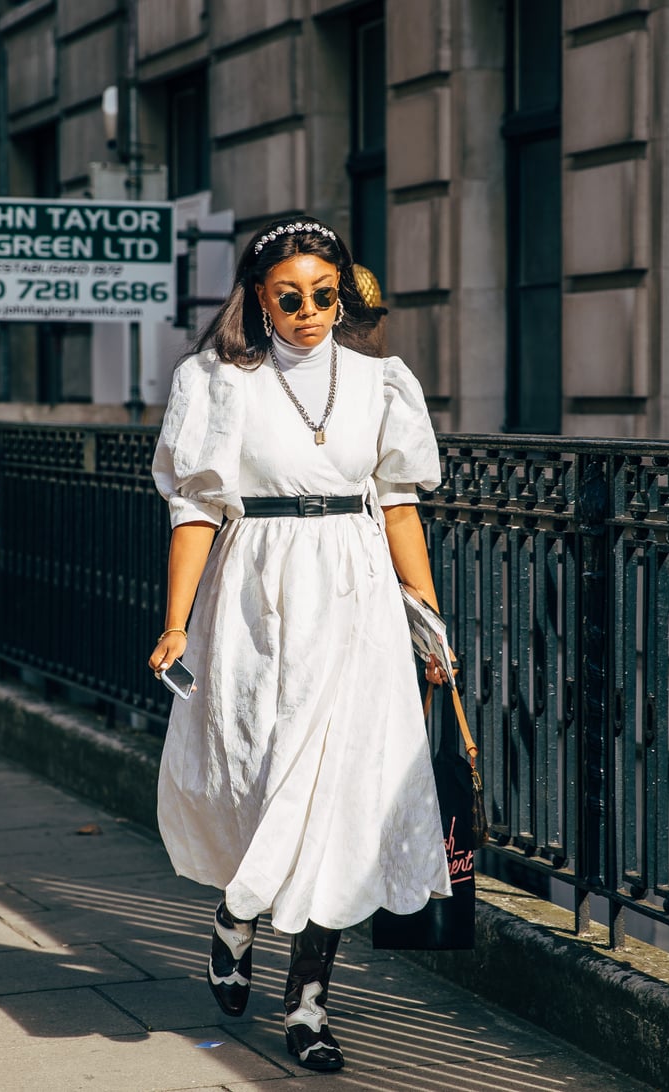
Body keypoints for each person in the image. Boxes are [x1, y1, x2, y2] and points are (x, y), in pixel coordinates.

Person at [148, 216, 451, 1072]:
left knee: (343, 800)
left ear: (343, 296)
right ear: (259, 298)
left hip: (356, 597)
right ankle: (236, 912)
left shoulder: (381, 382)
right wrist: (175, 622)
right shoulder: (216, 382)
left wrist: (428, 619)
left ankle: (309, 1004)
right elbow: (195, 511)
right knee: (261, 777)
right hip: (256, 596)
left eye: (325, 295)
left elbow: (399, 506)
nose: (310, 312)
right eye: (291, 298)